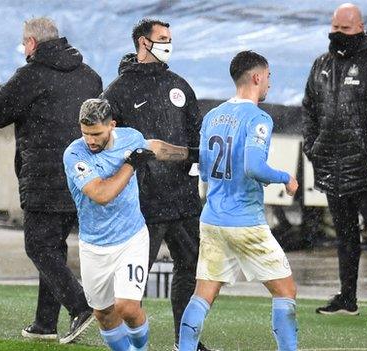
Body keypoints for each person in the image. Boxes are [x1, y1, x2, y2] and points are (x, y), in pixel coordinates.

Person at [0, 17, 101, 343]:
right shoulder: (89, 77)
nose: (24, 49)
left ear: (32, 44)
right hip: (81, 176)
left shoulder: (30, 74)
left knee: (37, 245)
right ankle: (44, 324)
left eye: (25, 44)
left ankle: (80, 306)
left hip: (43, 175)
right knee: (54, 247)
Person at [101, 18, 211, 351]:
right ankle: (122, 342)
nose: (168, 43)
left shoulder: (180, 85)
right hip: (142, 205)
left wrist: (194, 165)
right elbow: (106, 146)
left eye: (170, 38)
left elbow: (196, 139)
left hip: (183, 202)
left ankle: (186, 342)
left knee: (191, 269)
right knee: (131, 283)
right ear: (142, 42)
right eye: (162, 38)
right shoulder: (117, 91)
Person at [178, 51, 299, 351]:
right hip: (245, 221)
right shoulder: (258, 118)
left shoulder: (212, 116)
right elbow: (253, 167)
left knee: (203, 294)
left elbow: (204, 171)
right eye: (269, 76)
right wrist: (286, 177)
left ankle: (185, 348)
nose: (269, 83)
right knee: (285, 291)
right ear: (257, 77)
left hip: (212, 219)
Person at [63, 98, 195, 351]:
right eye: (85, 133)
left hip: (131, 238)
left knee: (127, 307)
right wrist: (130, 165)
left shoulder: (130, 137)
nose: (90, 140)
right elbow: (101, 195)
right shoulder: (74, 154)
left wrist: (195, 155)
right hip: (94, 245)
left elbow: (154, 148)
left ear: (112, 125)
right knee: (104, 315)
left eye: (96, 134)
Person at [301, 3, 367, 318]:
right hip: (330, 165)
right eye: (334, 27)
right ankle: (347, 298)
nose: (337, 34)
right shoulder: (320, 64)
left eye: (344, 29)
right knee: (344, 236)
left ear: (360, 27)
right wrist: (312, 146)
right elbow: (308, 108)